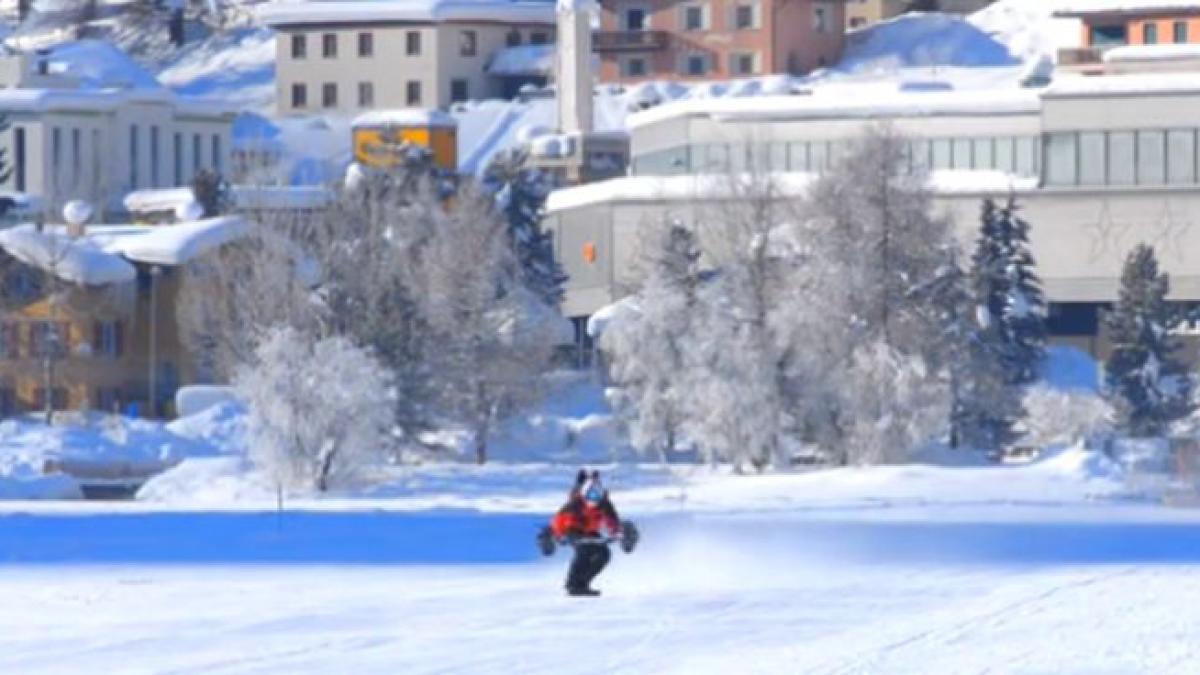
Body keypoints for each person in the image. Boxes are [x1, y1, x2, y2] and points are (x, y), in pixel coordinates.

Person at [549, 469, 622, 597]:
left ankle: (583, 583)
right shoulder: (575, 503)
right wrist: (559, 534)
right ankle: (572, 584)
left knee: (603, 554)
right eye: (590, 495)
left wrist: (617, 532)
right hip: (573, 529)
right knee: (584, 551)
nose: (593, 500)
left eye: (596, 496)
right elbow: (559, 519)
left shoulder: (604, 504)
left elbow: (612, 520)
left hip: (590, 531)